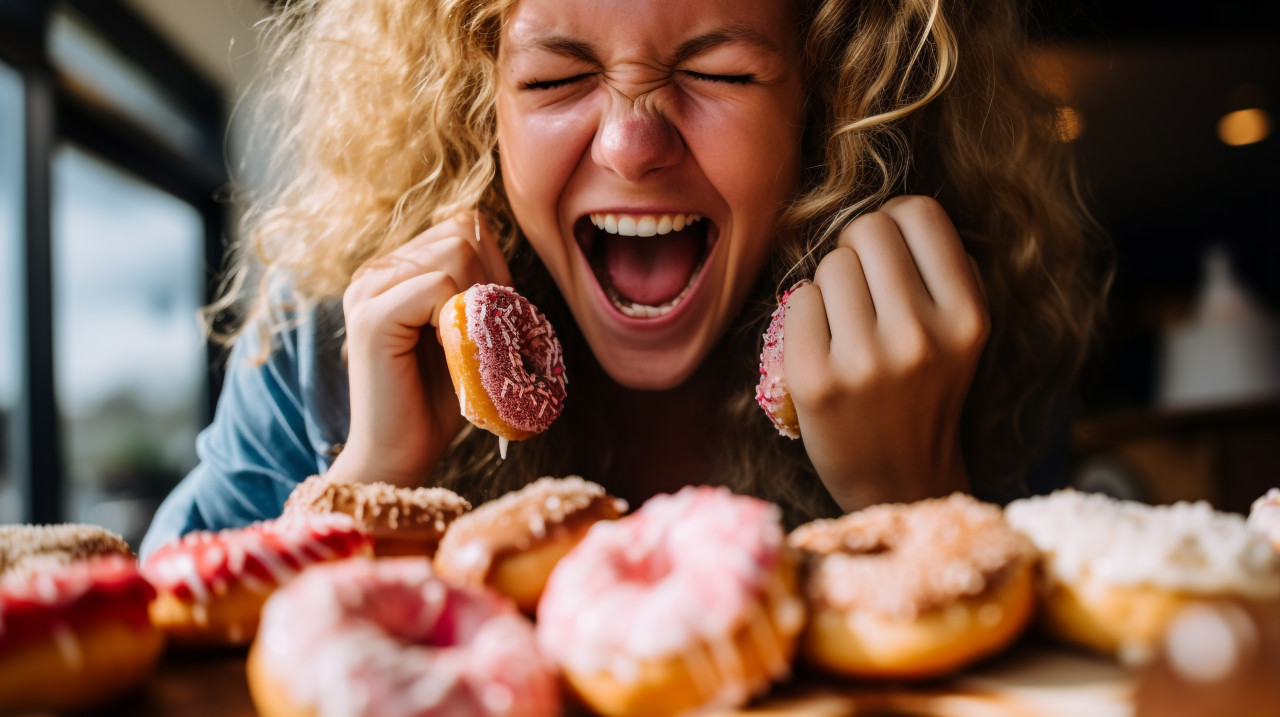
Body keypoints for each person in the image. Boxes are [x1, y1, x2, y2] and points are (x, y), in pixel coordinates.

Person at [140, 0, 1107, 557]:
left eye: (722, 73)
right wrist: (367, 489)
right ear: (481, 110)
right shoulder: (333, 337)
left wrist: (919, 509)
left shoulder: (955, 338)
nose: (632, 145)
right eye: (556, 80)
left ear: (831, 105)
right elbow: (156, 649)